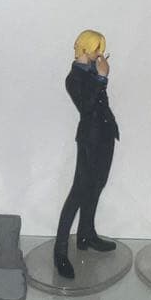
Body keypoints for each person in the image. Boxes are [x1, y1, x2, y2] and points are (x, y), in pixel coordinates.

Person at [53, 30, 119, 280]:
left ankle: (86, 234)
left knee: (97, 186)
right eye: (97, 49)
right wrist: (102, 78)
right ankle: (60, 250)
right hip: (90, 139)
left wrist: (100, 77)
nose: (100, 54)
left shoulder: (92, 72)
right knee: (78, 191)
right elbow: (87, 106)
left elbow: (102, 104)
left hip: (105, 135)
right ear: (84, 49)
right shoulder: (74, 78)